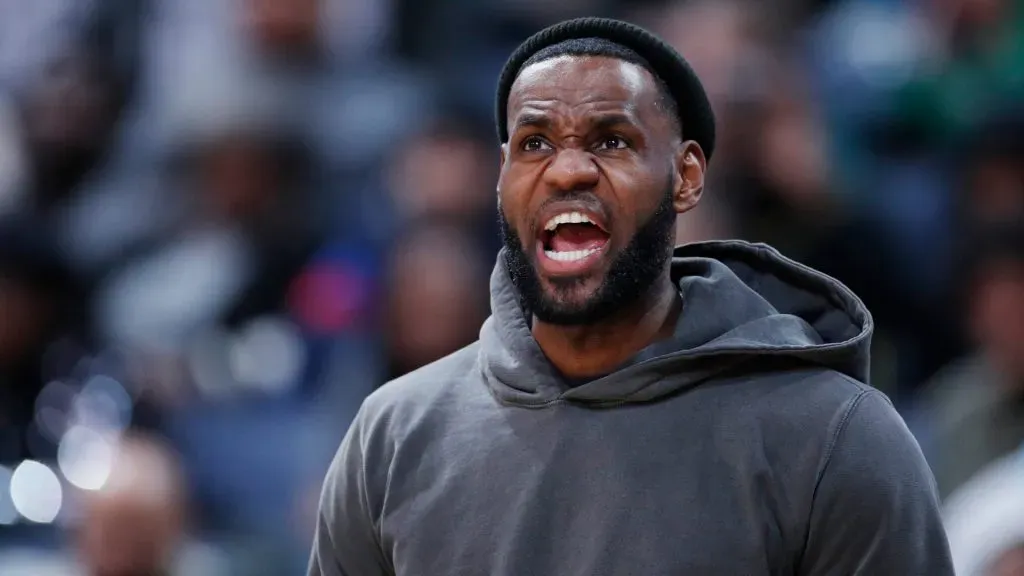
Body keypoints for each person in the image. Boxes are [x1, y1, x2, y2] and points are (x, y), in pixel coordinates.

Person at [308, 17, 953, 575]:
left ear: (686, 176)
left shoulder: (833, 438)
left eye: (611, 141)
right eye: (534, 144)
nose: (567, 170)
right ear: (502, 176)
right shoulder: (391, 437)